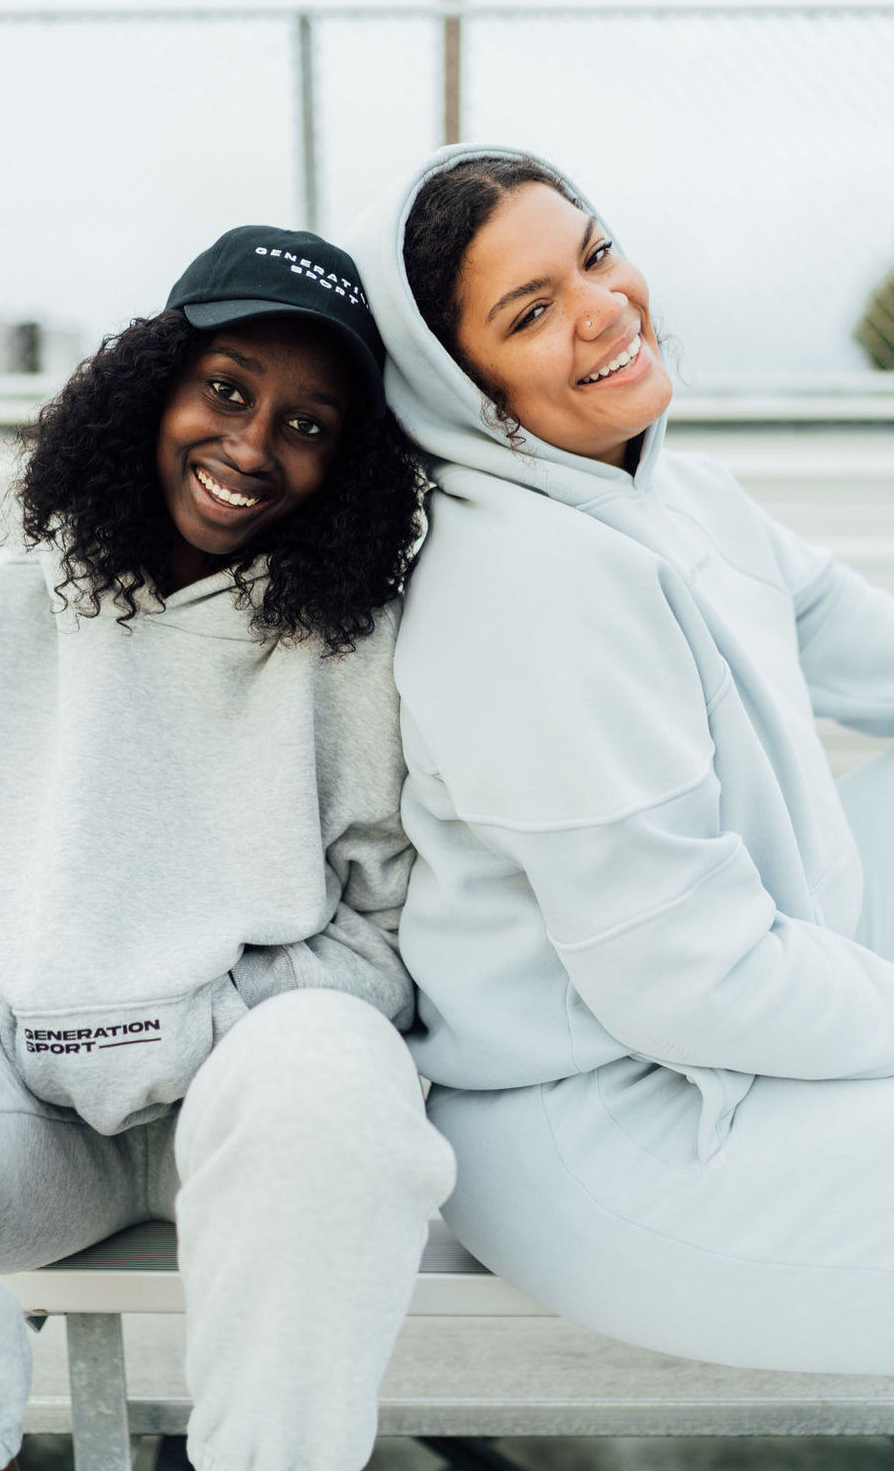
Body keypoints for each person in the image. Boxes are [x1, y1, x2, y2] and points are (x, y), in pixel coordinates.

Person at [0, 224, 455, 1471]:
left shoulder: (357, 644)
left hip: (259, 1090)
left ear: (347, 456)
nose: (251, 446)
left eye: (307, 424)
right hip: (35, 1112)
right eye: (227, 388)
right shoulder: (4, 608)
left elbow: (395, 931)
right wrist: (37, 1012)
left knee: (333, 1077)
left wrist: (178, 1019)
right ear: (155, 382)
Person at [345, 143, 894, 1375]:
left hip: (753, 1018)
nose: (601, 306)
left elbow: (868, 650)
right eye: (530, 311)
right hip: (613, 1134)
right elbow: (691, 983)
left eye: (594, 254)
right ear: (459, 383)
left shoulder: (676, 495)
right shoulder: (521, 590)